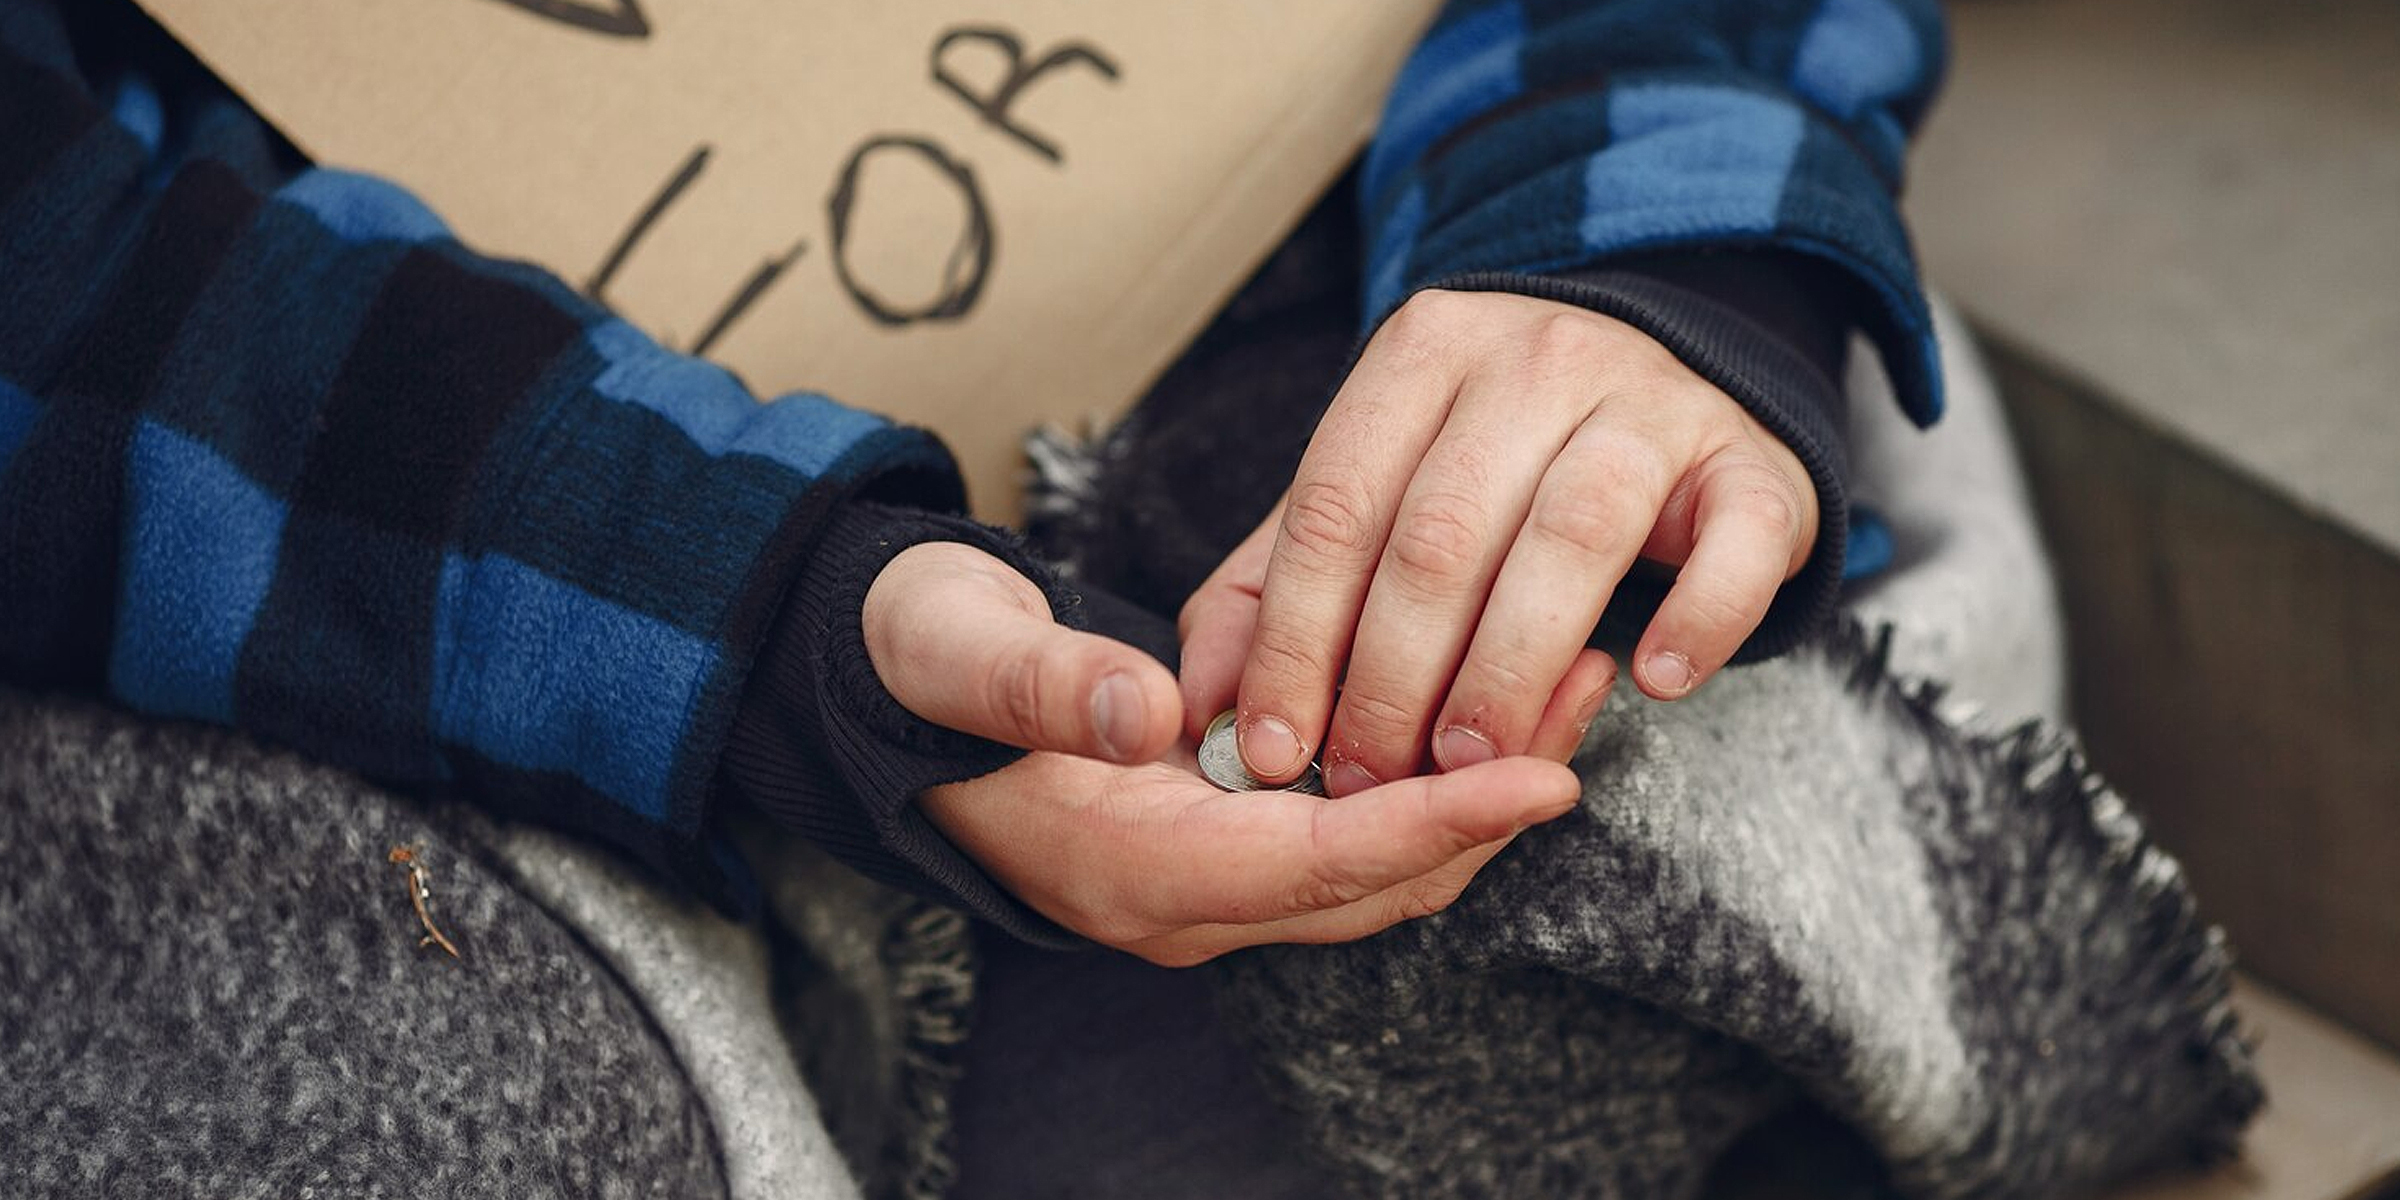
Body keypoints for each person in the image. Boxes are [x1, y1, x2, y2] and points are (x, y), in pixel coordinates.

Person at [0, 0, 1948, 1191]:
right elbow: (60, 295)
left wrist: (1661, 261)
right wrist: (744, 614)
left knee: (1631, 826)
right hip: (360, 452)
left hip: (1387, 204)